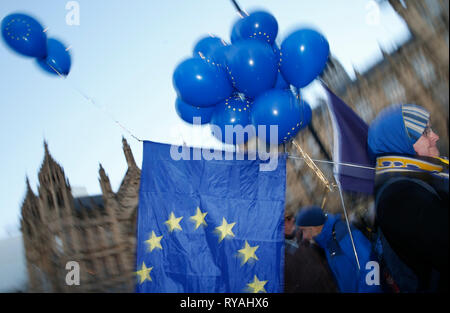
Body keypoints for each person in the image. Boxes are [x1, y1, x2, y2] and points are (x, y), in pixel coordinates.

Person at [368, 103, 448, 292]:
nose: (435, 136)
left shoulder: (415, 182)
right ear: (401, 140)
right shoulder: (398, 196)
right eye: (425, 131)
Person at [296, 206, 382, 293]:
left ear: (313, 227)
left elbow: (370, 265)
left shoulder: (343, 233)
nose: (304, 236)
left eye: (304, 230)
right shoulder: (327, 242)